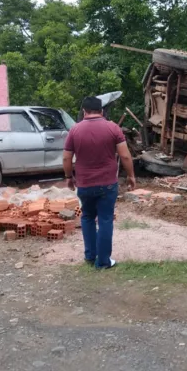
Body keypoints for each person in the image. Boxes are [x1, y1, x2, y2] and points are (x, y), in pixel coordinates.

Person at [63, 96, 137, 270]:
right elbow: (125, 155)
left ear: (84, 111)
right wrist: (131, 175)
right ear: (102, 111)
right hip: (108, 184)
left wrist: (69, 177)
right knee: (105, 220)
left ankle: (90, 256)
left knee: (87, 217)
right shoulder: (113, 128)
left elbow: (67, 157)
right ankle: (103, 262)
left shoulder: (74, 130)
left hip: (84, 184)